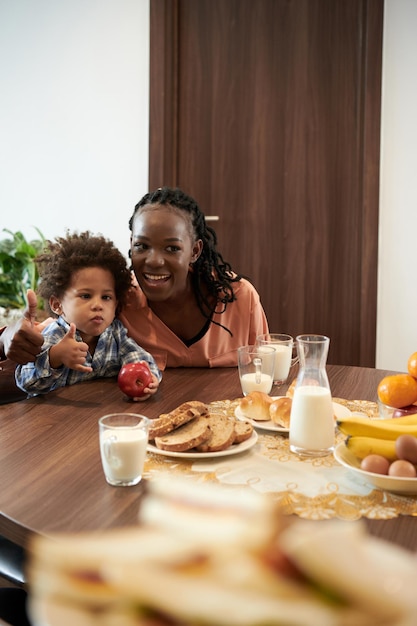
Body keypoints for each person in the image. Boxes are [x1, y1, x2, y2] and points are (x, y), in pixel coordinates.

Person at [1, 187, 268, 382]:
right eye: (142, 246)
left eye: (172, 248)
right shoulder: (117, 298)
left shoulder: (240, 299)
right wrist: (7, 335)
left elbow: (269, 371)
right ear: (131, 245)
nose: (153, 261)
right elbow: (51, 329)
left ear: (195, 251)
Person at [14, 231, 161, 398]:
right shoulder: (54, 336)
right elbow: (26, 383)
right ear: (57, 305)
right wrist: (55, 357)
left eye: (106, 297)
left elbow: (138, 357)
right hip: (51, 419)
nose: (98, 305)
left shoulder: (115, 333)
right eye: (85, 296)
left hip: (98, 412)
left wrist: (151, 377)